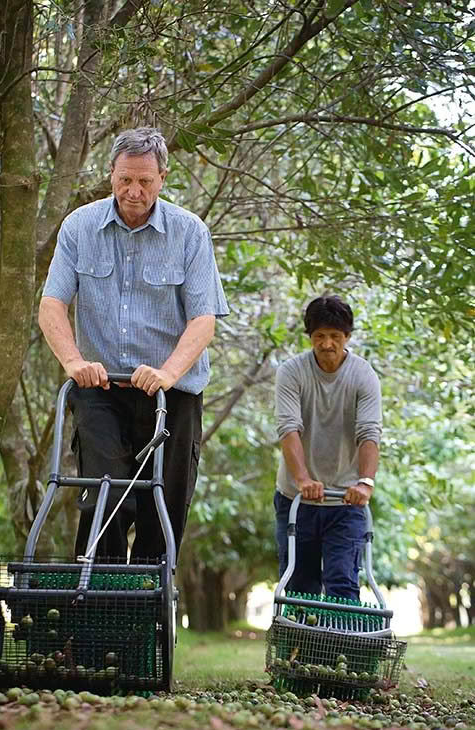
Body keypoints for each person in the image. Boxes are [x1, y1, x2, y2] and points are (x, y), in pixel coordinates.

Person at [39, 127, 229, 561]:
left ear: (162, 177)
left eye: (145, 181)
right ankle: (101, 605)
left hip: (171, 393)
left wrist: (167, 373)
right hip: (101, 388)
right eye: (125, 179)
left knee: (164, 506)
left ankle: (148, 613)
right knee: (103, 493)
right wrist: (73, 361)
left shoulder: (189, 233)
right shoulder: (79, 227)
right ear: (111, 175)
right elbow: (51, 306)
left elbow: (203, 321)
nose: (134, 191)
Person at [273, 295, 382, 601]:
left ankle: (343, 649)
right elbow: (289, 429)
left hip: (346, 503)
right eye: (319, 336)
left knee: (342, 583)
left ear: (347, 337)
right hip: (297, 499)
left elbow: (369, 432)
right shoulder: (292, 372)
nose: (327, 344)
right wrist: (303, 480)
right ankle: (299, 650)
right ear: (310, 338)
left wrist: (365, 482)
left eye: (335, 336)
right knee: (298, 586)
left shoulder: (363, 375)